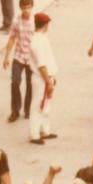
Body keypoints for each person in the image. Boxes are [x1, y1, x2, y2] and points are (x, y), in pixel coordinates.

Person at [2, 0, 37, 123]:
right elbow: (12, 38)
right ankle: (15, 110)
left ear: (32, 7)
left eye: (29, 7)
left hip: (31, 58)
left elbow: (40, 40)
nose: (26, 10)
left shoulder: (35, 21)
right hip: (19, 56)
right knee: (15, 82)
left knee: (30, 84)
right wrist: (6, 57)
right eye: (24, 8)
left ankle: (28, 109)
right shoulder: (16, 21)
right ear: (21, 8)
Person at [27, 13, 58, 143]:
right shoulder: (38, 42)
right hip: (42, 78)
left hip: (46, 77)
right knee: (38, 106)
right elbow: (41, 65)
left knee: (45, 106)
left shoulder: (40, 38)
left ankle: (44, 130)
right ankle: (34, 134)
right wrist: (48, 81)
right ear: (45, 25)